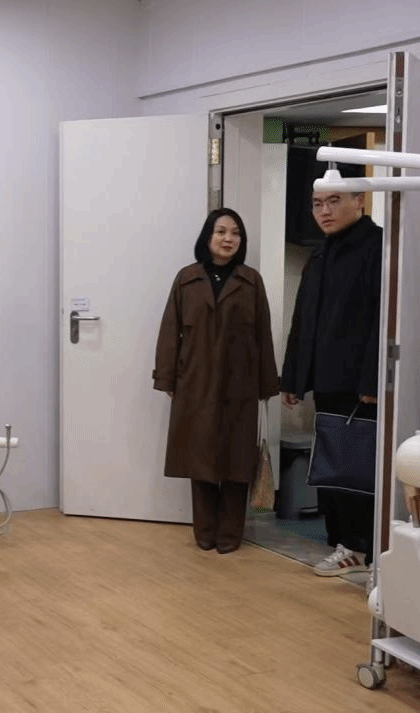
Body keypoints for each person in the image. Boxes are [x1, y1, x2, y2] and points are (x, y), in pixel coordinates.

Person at [153, 208, 279, 554]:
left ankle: (230, 533)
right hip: (195, 382)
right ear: (207, 237)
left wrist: (267, 385)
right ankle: (205, 530)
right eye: (221, 231)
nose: (228, 239)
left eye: (235, 233)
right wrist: (167, 377)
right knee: (200, 457)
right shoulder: (187, 279)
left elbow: (263, 336)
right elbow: (169, 331)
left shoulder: (251, 281)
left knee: (237, 460)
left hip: (240, 385)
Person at [281, 169, 382, 577]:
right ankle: (342, 543)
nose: (324, 211)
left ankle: (360, 548)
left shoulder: (378, 248)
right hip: (326, 382)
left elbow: (383, 319)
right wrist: (293, 378)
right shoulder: (322, 253)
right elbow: (303, 320)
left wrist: (372, 380)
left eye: (334, 201)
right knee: (330, 469)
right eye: (318, 204)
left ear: (360, 201)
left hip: (359, 386)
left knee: (354, 470)